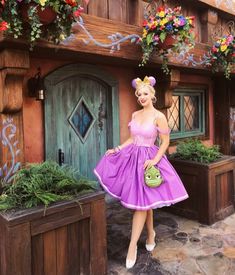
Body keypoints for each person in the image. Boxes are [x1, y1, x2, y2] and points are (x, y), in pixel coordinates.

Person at [94, 76, 188, 269]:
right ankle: (151, 232)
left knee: (141, 205)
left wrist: (155, 160)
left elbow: (165, 142)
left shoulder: (159, 116)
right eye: (139, 94)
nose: (142, 97)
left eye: (145, 93)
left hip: (148, 160)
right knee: (144, 201)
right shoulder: (135, 115)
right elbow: (131, 138)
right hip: (132, 159)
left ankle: (132, 247)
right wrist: (118, 149)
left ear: (152, 95)